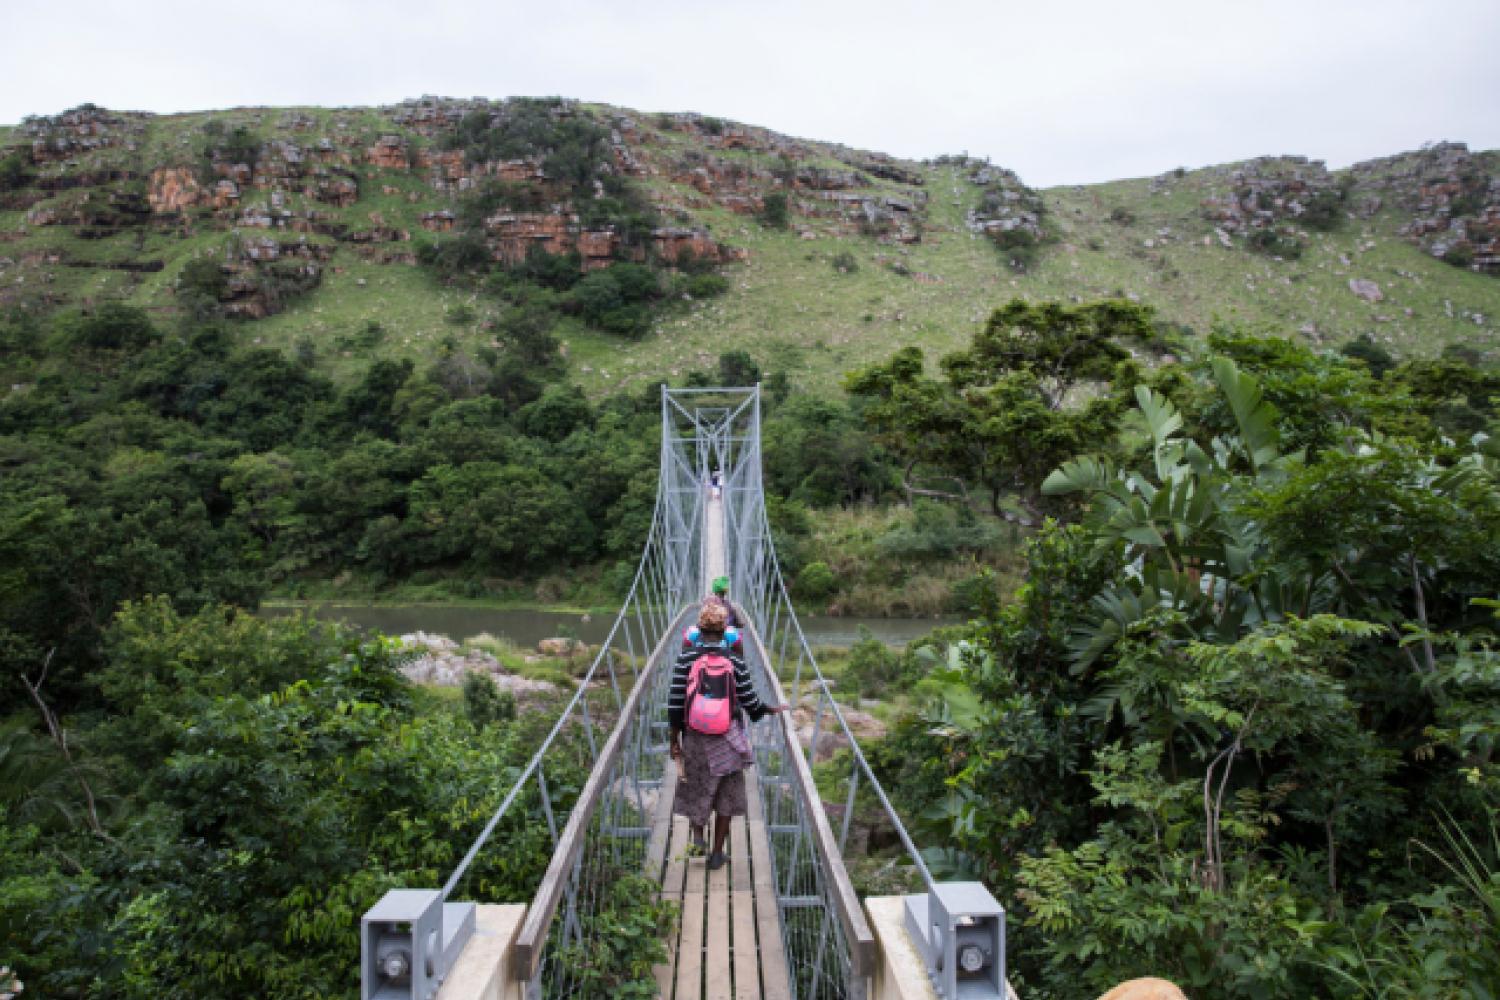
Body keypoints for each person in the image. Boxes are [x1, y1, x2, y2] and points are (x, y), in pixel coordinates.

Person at [668, 602, 786, 870]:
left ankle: (698, 834)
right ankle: (717, 853)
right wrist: (768, 709)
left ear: (698, 629)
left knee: (697, 785)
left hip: (696, 735)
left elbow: (675, 702)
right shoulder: (734, 659)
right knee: (727, 794)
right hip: (727, 736)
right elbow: (750, 701)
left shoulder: (686, 658)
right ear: (725, 630)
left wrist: (674, 738)